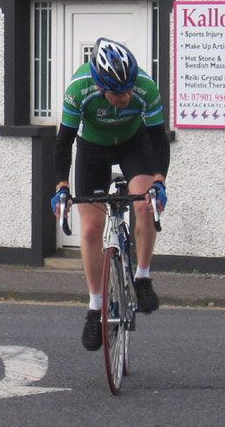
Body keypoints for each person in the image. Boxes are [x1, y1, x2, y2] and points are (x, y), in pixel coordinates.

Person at [51, 38, 170, 351]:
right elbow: (63, 143)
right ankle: (95, 307)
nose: (127, 95)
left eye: (129, 88)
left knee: (144, 205)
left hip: (135, 144)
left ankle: (142, 277)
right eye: (118, 93)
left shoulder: (145, 87)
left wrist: (159, 181)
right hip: (93, 149)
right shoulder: (79, 89)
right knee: (90, 228)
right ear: (101, 87)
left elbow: (159, 139)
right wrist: (61, 187)